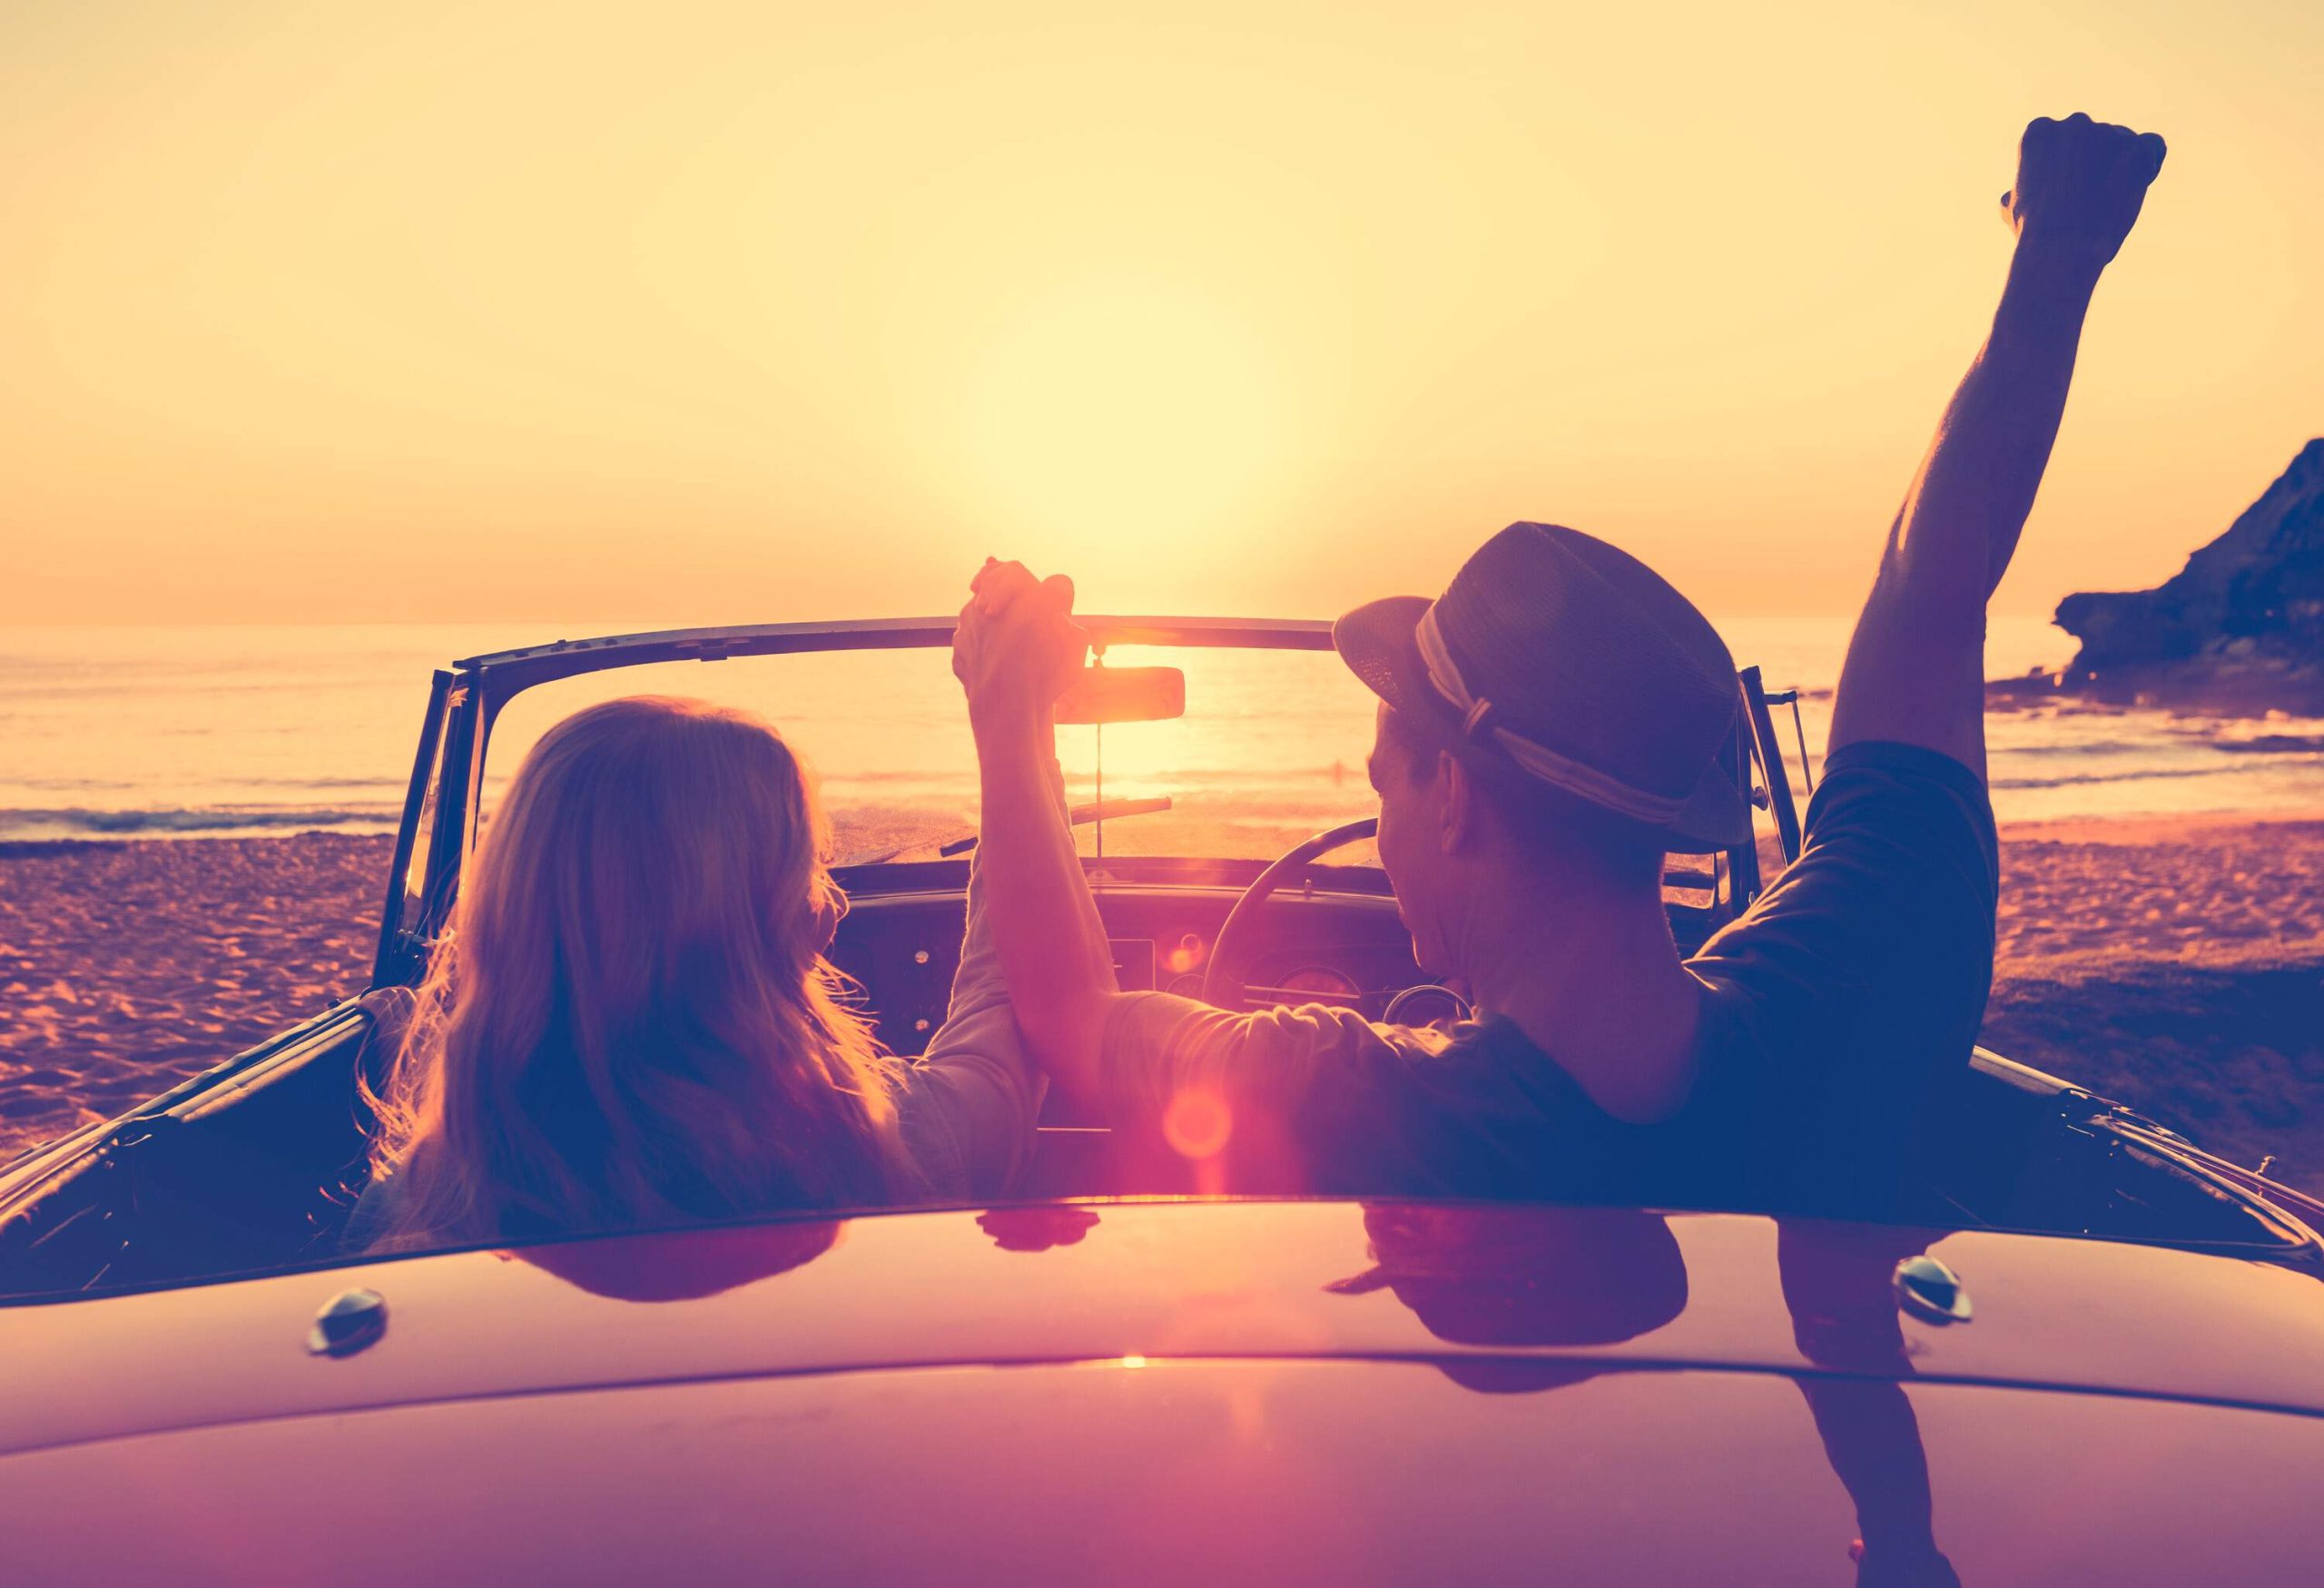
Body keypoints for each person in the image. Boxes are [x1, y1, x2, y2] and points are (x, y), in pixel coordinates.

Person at [950, 113, 2166, 1217]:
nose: (1378, 826)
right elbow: (1931, 603)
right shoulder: (1857, 992)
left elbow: (1074, 1019)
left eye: (1382, 780)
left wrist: (1012, 722)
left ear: (1456, 795)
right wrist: (2056, 262)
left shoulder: (1354, 1104)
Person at [347, 695, 1040, 1252]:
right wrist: (1013, 720)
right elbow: (1006, 1024)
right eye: (806, 874)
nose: (832, 908)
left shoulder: (407, 1217)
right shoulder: (893, 1147)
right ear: (746, 940)